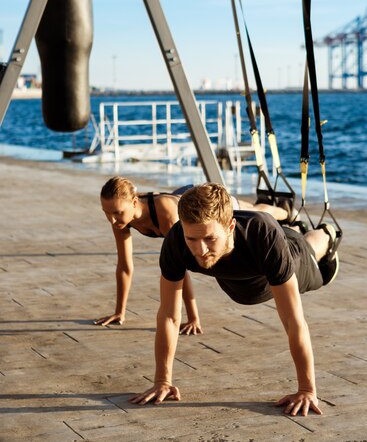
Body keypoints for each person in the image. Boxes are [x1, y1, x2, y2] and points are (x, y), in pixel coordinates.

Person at [129, 182, 342, 417]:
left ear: (230, 226)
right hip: (242, 285)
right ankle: (297, 228)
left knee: (314, 257)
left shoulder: (261, 234)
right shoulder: (177, 241)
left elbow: (294, 320)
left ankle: (326, 232)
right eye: (192, 239)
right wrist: (162, 381)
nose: (200, 250)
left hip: (288, 255)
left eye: (210, 239)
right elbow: (169, 316)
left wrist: (306, 389)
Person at [96, 176, 289, 334]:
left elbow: (180, 267)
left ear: (134, 202)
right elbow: (124, 266)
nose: (111, 219)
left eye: (117, 212)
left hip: (204, 206)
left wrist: (193, 318)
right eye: (106, 213)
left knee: (256, 211)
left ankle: (285, 212)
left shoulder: (164, 212)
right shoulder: (120, 220)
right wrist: (119, 312)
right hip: (184, 197)